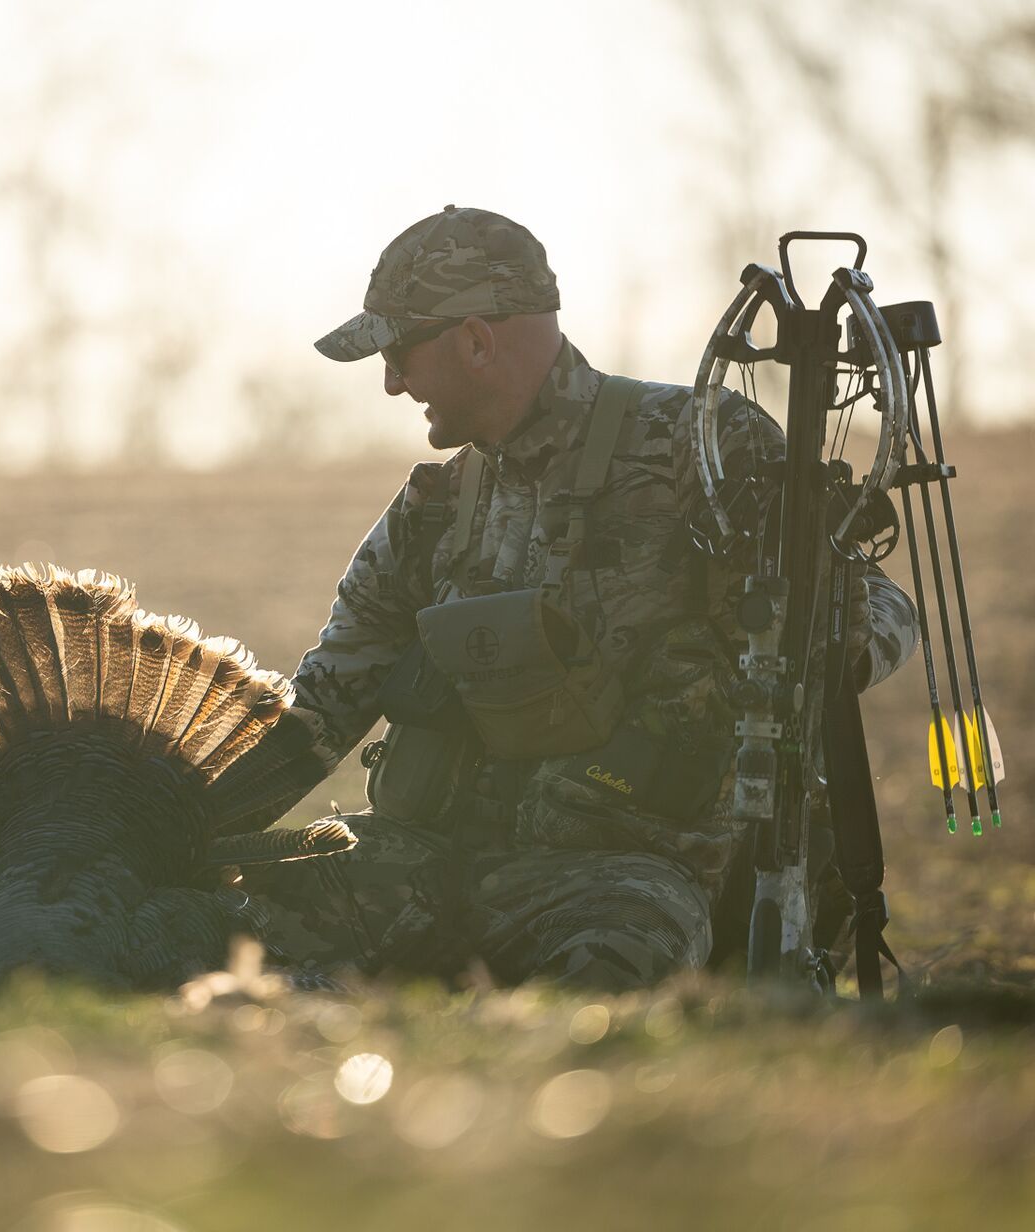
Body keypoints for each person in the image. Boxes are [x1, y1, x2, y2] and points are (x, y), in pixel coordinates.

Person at [243, 205, 919, 990]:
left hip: (621, 882)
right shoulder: (433, 507)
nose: (392, 382)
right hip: (426, 870)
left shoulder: (697, 446)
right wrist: (162, 817)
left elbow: (878, 604)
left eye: (400, 352)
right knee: (216, 932)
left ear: (475, 341)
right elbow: (318, 711)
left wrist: (817, 650)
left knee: (612, 976)